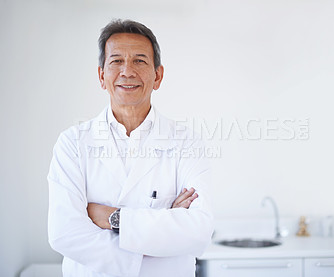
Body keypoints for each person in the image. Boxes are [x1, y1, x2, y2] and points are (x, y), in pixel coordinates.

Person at [47, 19, 214, 277]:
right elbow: (64, 233)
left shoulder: (187, 143)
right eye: (116, 61)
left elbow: (199, 230)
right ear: (102, 76)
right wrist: (162, 233)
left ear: (157, 76)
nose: (127, 71)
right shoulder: (72, 144)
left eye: (139, 60)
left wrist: (112, 218)